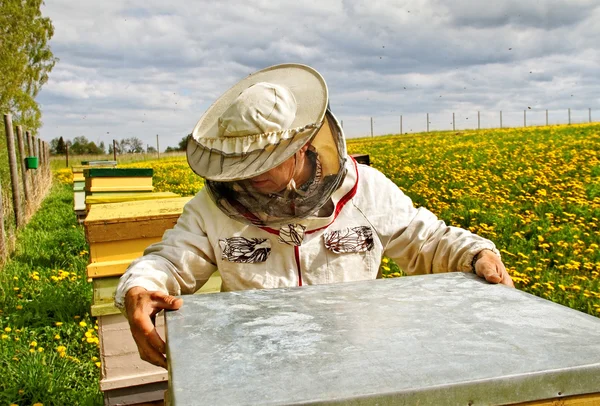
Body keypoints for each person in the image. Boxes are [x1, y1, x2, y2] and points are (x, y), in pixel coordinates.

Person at [115, 63, 514, 368]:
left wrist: (475, 254)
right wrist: (141, 287)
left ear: (302, 147)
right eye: (240, 165)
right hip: (255, 363)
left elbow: (426, 240)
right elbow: (169, 261)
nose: (248, 178)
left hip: (356, 359)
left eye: (262, 163)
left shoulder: (365, 190)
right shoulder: (211, 207)